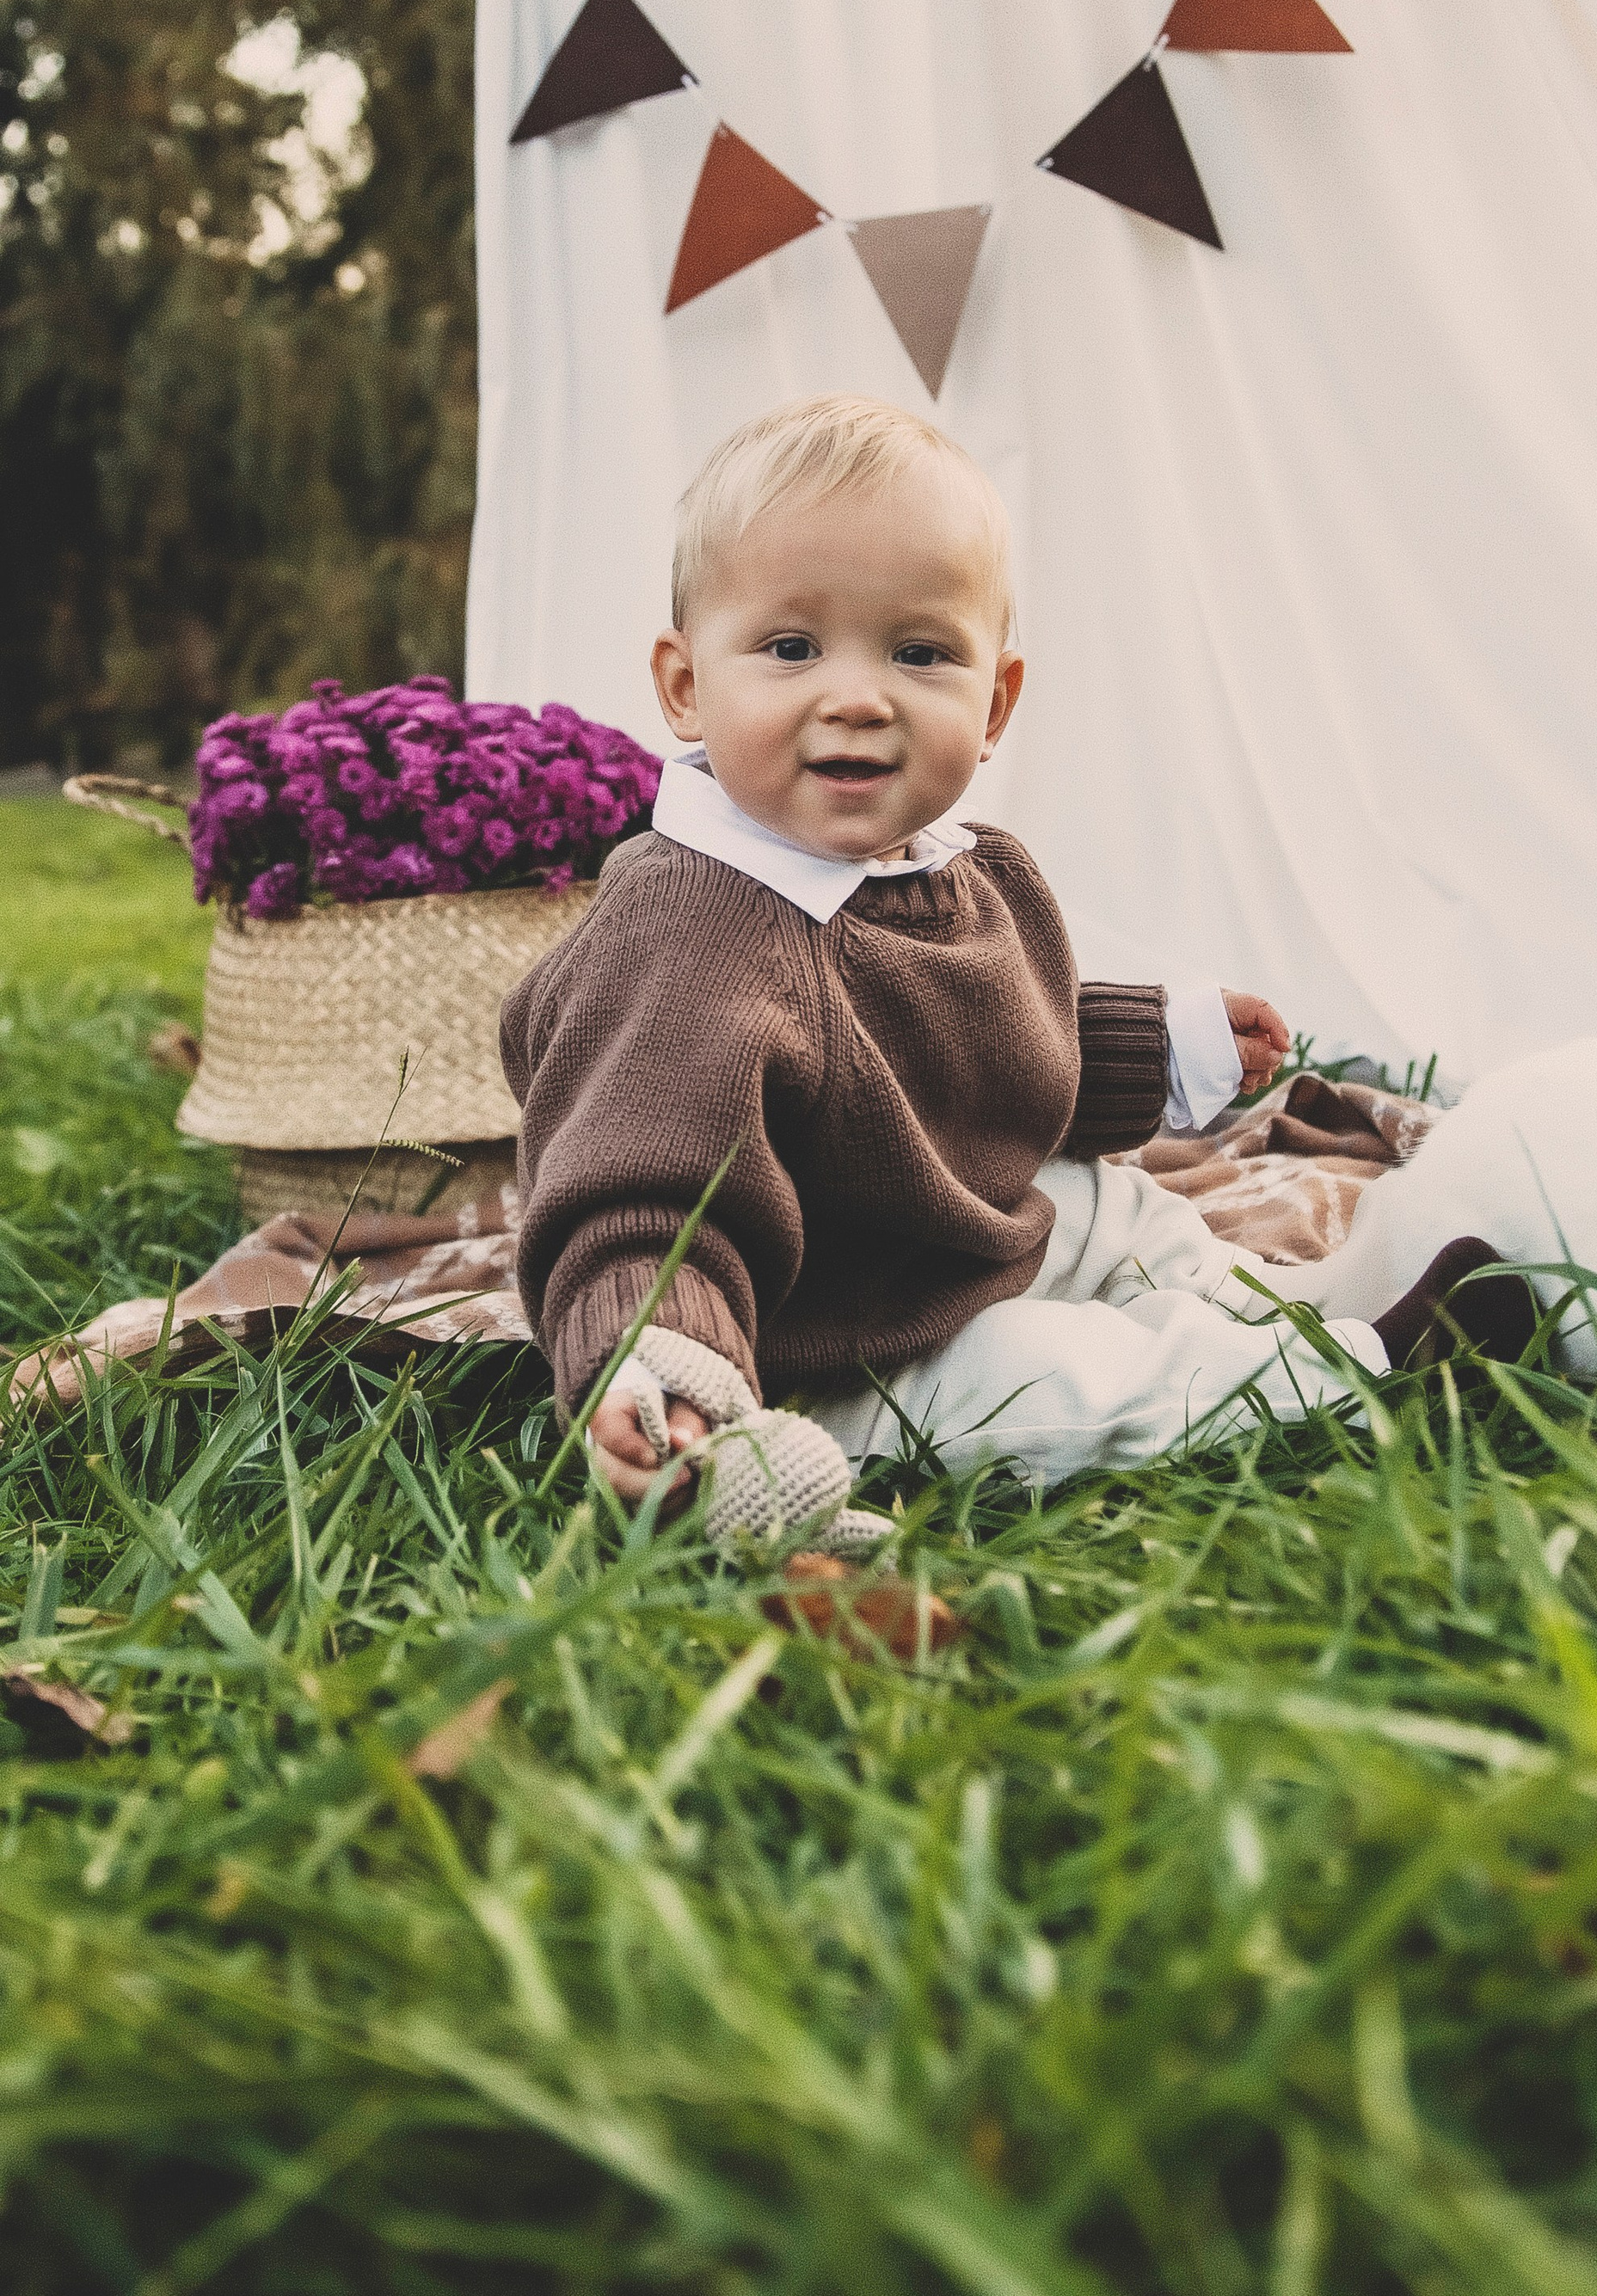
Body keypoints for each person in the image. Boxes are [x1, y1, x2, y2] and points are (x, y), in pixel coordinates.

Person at [501, 394, 1428, 1551]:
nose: (856, 695)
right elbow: (639, 1199)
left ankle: (1299, 1306)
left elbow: (974, 1058)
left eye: (920, 651)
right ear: (686, 684)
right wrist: (667, 1372)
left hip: (953, 1237)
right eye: (791, 647)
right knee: (1063, 1375)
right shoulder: (691, 936)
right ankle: (1359, 1371)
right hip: (827, 1338)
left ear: (993, 703)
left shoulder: (967, 870)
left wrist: (1159, 1042)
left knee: (1128, 1211)